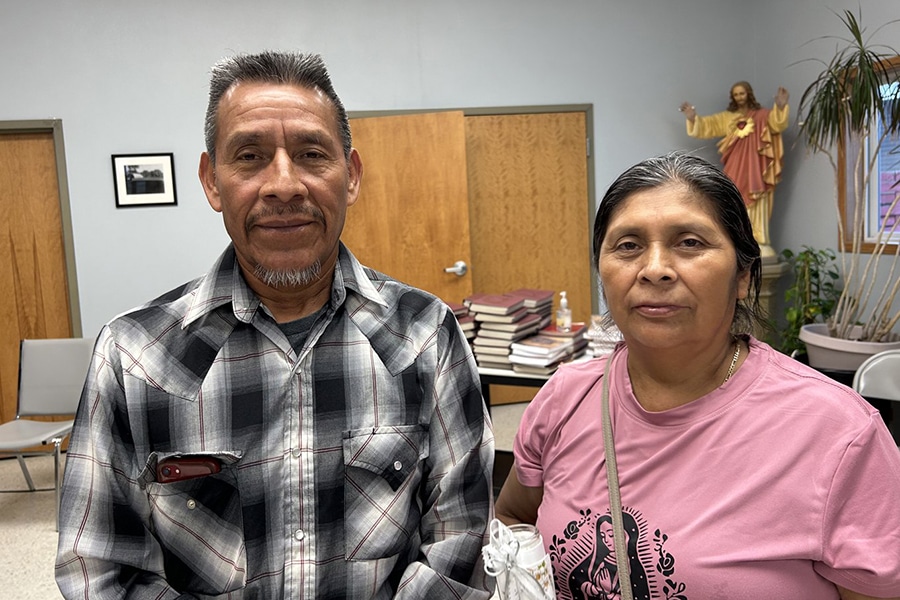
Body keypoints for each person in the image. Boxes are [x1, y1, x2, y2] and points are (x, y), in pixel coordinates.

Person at [56, 51, 494, 599]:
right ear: (212, 181)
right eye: (250, 156)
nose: (284, 185)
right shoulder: (134, 358)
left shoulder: (426, 336)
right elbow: (100, 570)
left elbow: (461, 542)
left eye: (311, 154)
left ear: (351, 176)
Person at [495, 152, 900, 599]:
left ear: (742, 276)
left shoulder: (838, 433)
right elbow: (513, 518)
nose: (654, 269)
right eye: (627, 245)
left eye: (689, 242)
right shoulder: (566, 398)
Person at [679, 82, 789, 259]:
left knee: (758, 199)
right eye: (736, 94)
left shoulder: (762, 115)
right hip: (736, 166)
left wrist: (781, 106)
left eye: (742, 93)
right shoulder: (727, 117)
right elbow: (709, 126)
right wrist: (692, 118)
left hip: (757, 166)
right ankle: (740, 239)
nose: (739, 97)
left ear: (749, 94)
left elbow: (777, 124)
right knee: (734, 198)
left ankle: (759, 240)